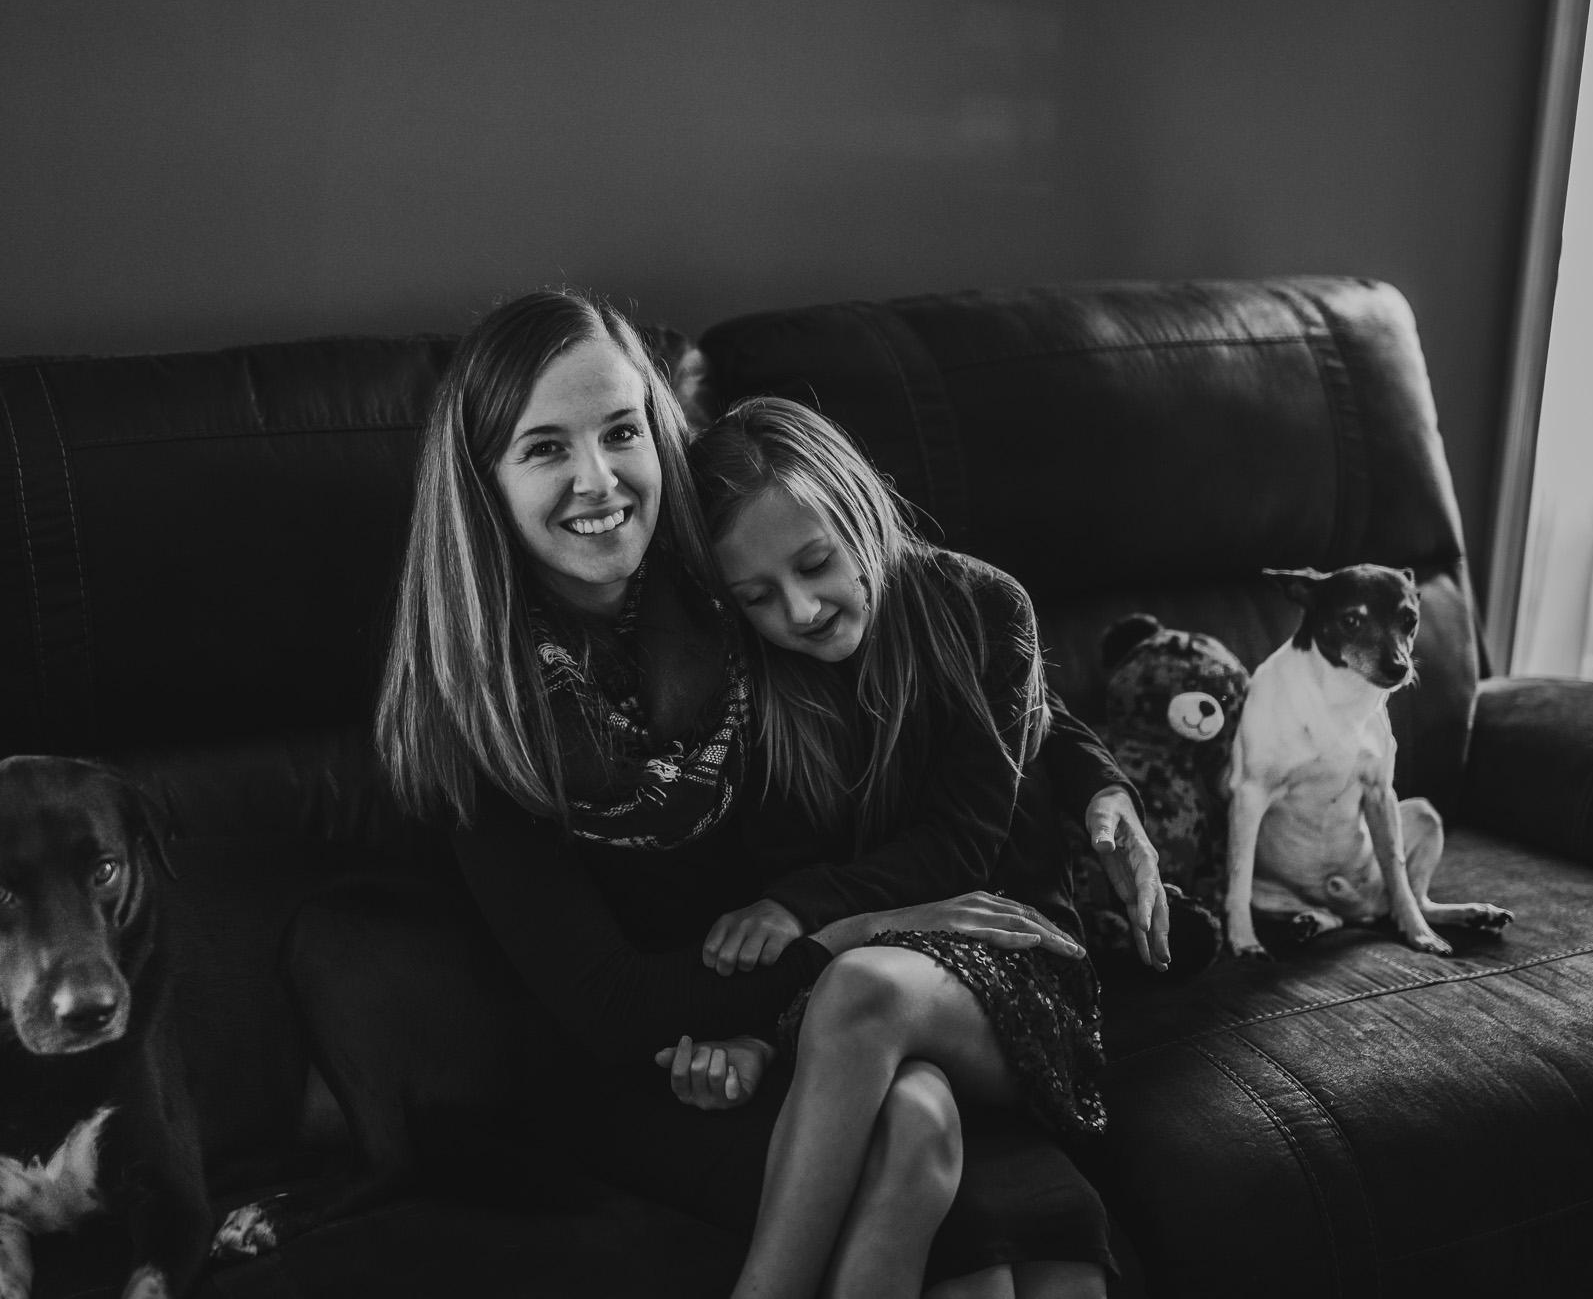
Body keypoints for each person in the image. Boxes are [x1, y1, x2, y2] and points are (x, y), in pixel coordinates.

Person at [375, 290, 1096, 1297]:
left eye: (620, 430)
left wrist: (1097, 778)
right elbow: (611, 1007)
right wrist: (855, 930)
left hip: (790, 1015)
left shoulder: (726, 584)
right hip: (634, 1062)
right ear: (484, 482)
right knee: (962, 1188)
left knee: (952, 1152)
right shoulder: (483, 716)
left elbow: (954, 649)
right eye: (543, 448)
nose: (598, 478)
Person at [678, 395, 1172, 1299]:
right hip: (843, 984)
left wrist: (803, 906)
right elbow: (747, 860)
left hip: (1005, 959)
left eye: (816, 563)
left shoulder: (981, 608)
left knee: (863, 987)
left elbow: (962, 843)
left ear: (860, 506)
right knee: (913, 1120)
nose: (799, 608)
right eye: (757, 597)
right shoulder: (750, 678)